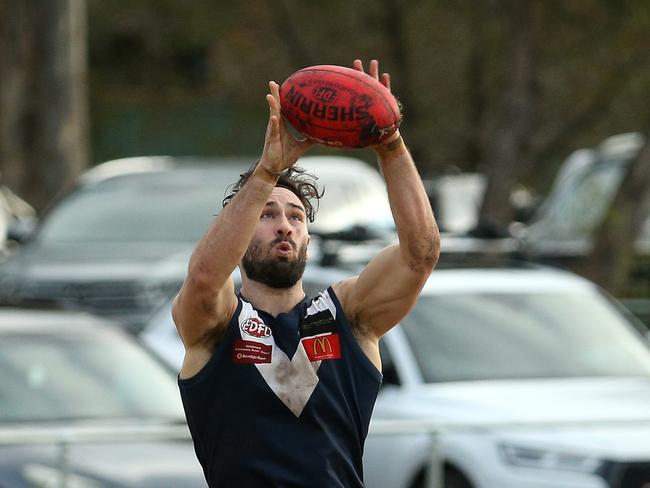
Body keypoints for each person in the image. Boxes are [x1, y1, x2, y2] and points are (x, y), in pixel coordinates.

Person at [173, 59, 440, 488]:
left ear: (309, 240)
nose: (285, 225)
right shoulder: (216, 326)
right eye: (267, 213)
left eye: (296, 217)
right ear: (239, 234)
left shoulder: (349, 316)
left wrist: (390, 146)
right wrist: (265, 175)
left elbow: (419, 256)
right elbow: (204, 277)